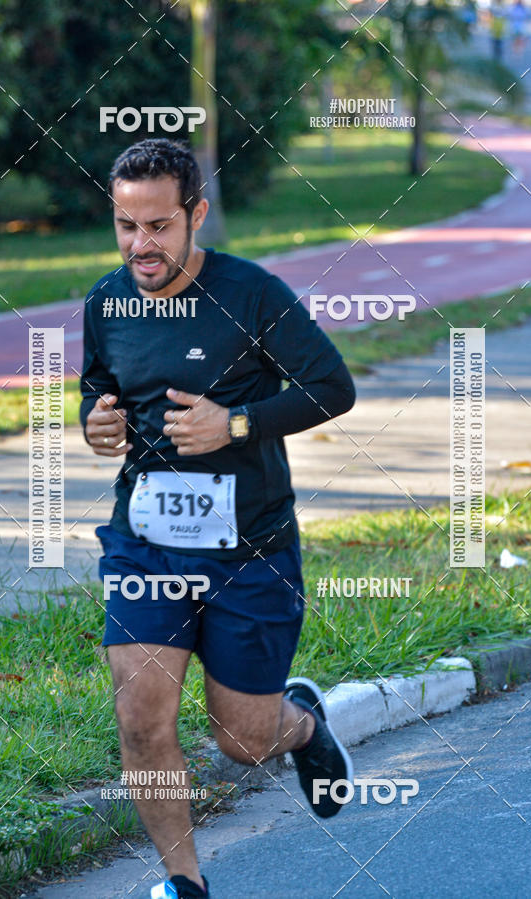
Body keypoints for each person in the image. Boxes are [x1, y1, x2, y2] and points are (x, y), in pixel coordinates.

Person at [80, 138, 356, 899]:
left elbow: (332, 387)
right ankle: (185, 884)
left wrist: (235, 425)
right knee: (140, 714)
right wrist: (93, 423)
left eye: (160, 226)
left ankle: (301, 723)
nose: (142, 245)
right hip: (145, 545)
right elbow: (101, 389)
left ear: (197, 214)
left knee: (242, 740)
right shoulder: (107, 302)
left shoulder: (253, 294)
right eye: (126, 225)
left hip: (250, 547)